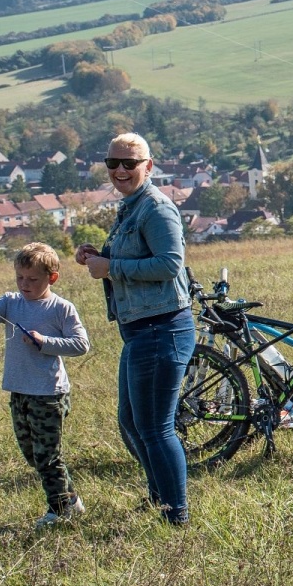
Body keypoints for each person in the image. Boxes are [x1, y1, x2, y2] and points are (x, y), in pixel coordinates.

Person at [75, 133, 195, 525]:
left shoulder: (156, 207)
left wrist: (111, 267)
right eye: (113, 163)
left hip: (162, 329)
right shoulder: (131, 207)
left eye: (130, 163)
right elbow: (137, 256)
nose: (120, 171)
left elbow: (169, 264)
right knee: (132, 422)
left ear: (149, 165)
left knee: (157, 429)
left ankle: (175, 515)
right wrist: (98, 256)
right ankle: (160, 498)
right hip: (141, 330)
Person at [0, 243, 91, 530]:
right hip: (19, 391)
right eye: (20, 277)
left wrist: (45, 342)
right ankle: (70, 499)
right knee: (33, 455)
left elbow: (81, 345)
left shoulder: (61, 308)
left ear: (52, 278)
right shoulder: (11, 302)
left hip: (48, 394)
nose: (25, 284)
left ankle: (59, 510)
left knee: (48, 456)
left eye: (33, 279)